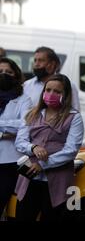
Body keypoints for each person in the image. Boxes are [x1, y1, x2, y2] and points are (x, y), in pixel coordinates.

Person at [14, 74, 84, 221]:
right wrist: (33, 147)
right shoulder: (32, 113)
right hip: (29, 179)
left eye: (57, 92)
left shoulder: (74, 117)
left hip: (58, 181)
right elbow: (20, 141)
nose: (51, 94)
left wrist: (43, 164)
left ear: (66, 95)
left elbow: (71, 150)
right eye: (48, 90)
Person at [0, 58, 33, 215]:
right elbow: (18, 124)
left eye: (8, 72)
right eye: (0, 72)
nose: (4, 75)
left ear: (16, 75)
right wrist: (6, 131)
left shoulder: (24, 99)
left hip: (11, 160)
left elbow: (25, 123)